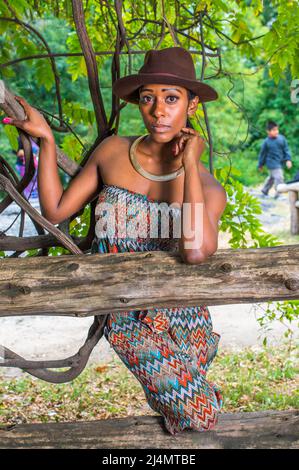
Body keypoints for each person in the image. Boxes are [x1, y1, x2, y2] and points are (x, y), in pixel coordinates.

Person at [1, 46, 227, 435]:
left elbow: (193, 250)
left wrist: (189, 164)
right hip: (125, 315)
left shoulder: (207, 186)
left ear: (191, 106)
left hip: (184, 317)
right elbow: (55, 211)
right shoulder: (113, 152)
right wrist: (47, 143)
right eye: (148, 99)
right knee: (199, 415)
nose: (158, 111)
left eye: (171, 99)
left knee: (185, 425)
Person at [257, 120, 292, 199]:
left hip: (280, 162)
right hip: (271, 163)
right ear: (268, 131)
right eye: (274, 130)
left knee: (272, 178)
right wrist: (260, 164)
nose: (276, 131)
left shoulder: (282, 139)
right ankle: (279, 195)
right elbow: (262, 154)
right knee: (279, 177)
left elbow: (286, 150)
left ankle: (264, 191)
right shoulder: (266, 142)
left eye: (277, 129)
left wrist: (288, 160)